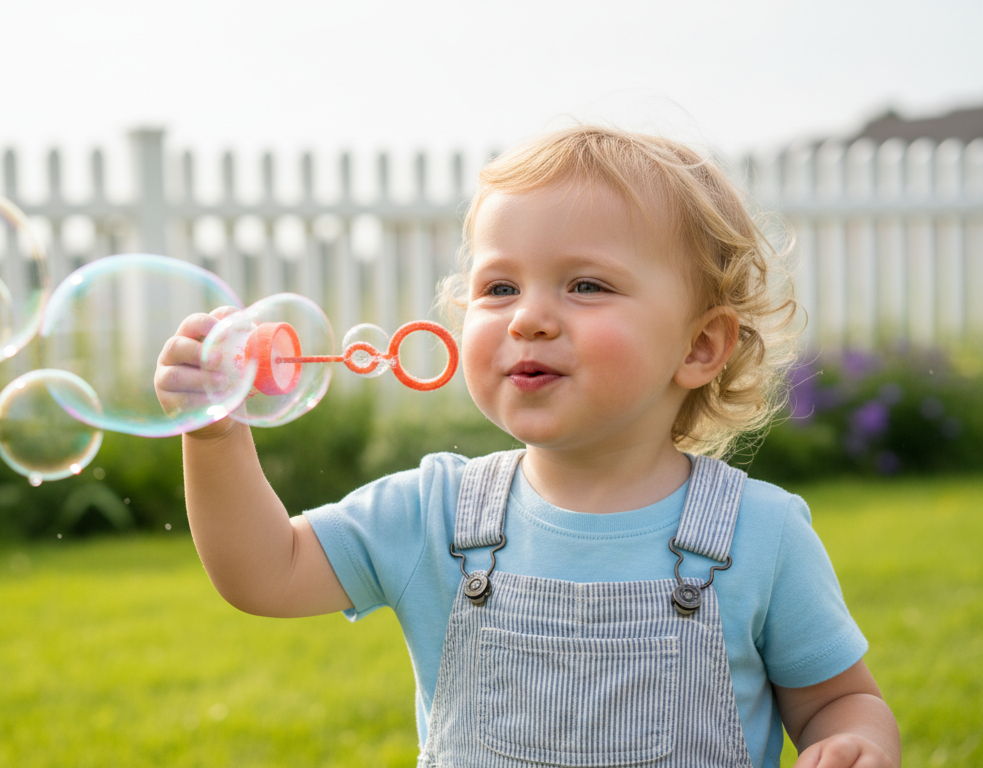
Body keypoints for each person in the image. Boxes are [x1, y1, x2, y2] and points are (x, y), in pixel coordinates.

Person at [154, 126, 899, 768]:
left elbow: (839, 701)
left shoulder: (759, 534)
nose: (530, 318)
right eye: (500, 288)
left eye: (585, 285)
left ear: (700, 345)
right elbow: (264, 573)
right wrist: (216, 434)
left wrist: (852, 741)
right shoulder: (434, 513)